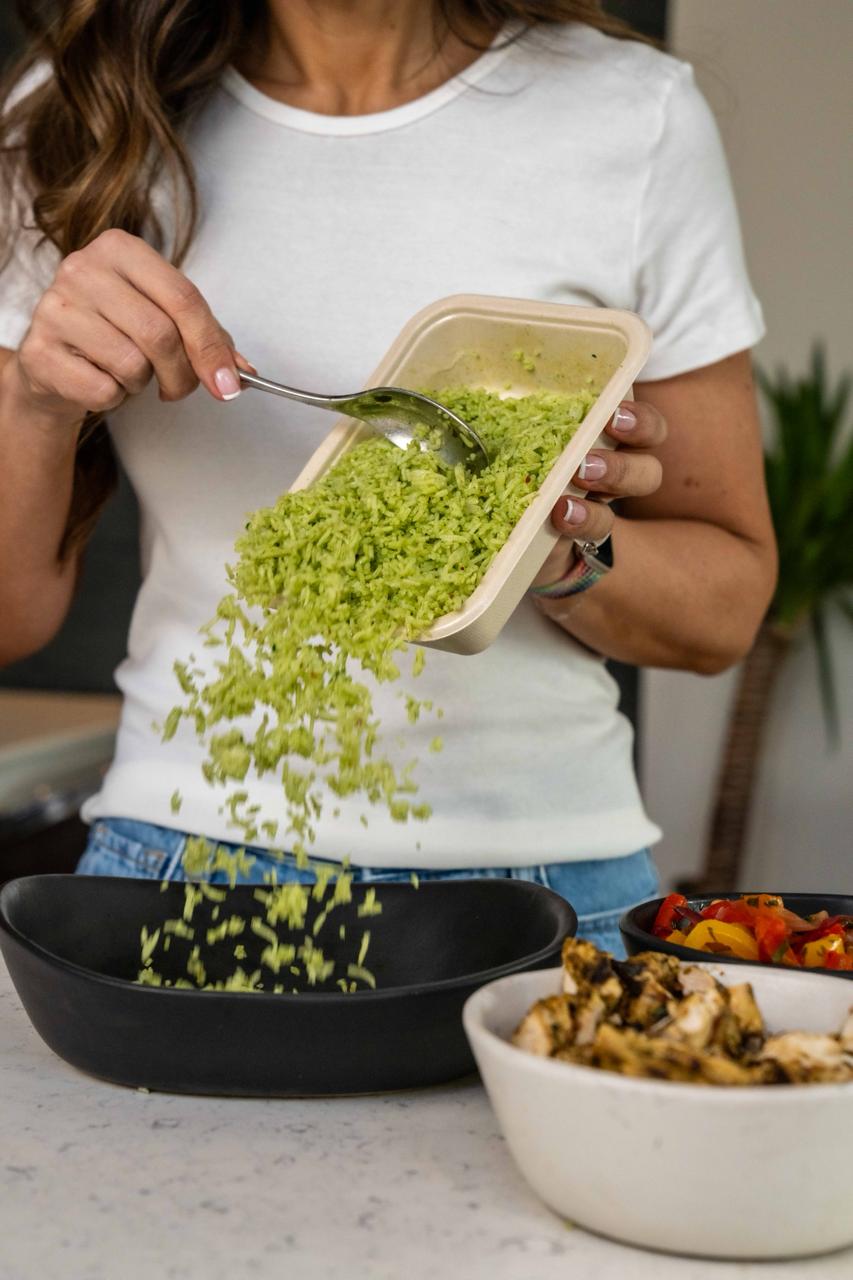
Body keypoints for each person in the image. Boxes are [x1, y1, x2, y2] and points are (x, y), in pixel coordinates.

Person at [0, 1, 777, 956]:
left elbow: (724, 610)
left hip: (549, 886)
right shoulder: (79, 116)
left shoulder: (630, 113)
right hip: (183, 863)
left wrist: (538, 540)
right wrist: (35, 402)